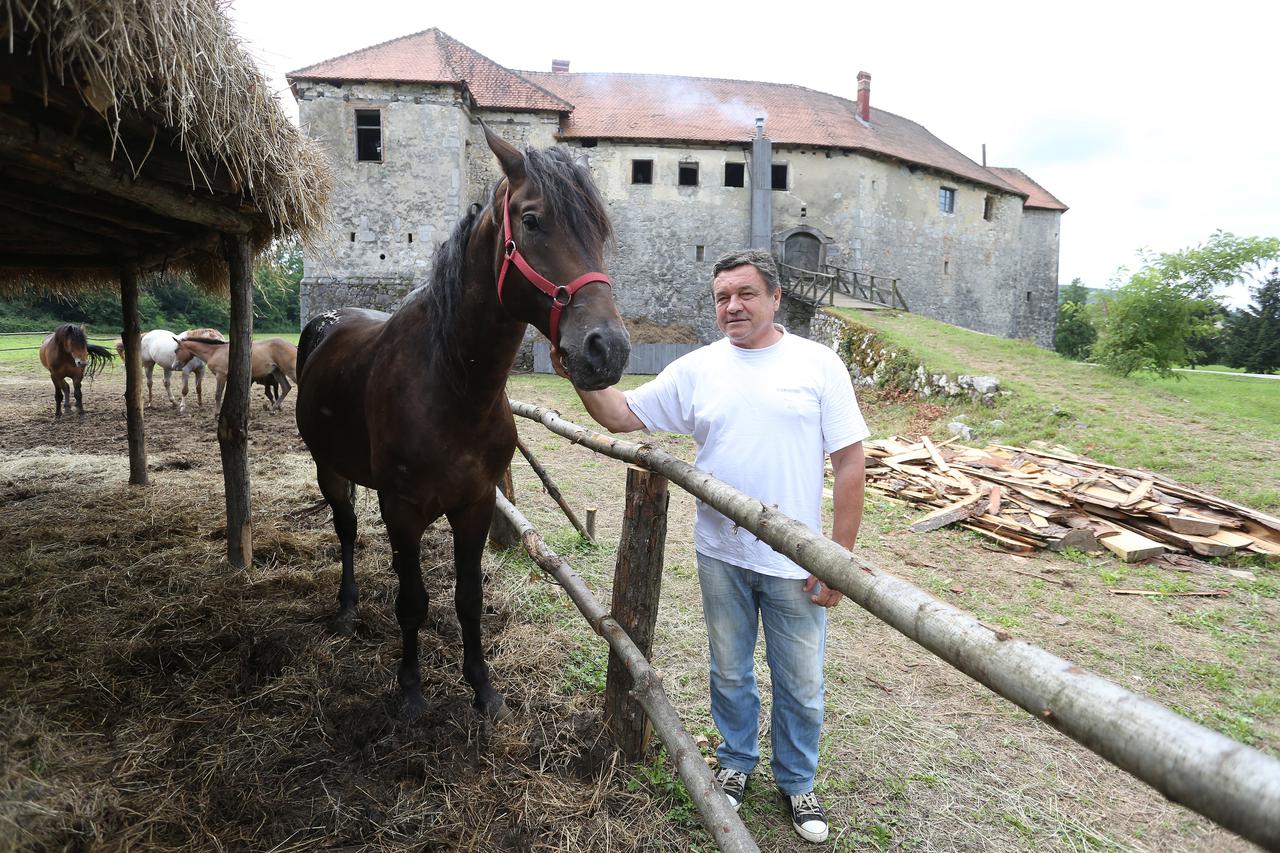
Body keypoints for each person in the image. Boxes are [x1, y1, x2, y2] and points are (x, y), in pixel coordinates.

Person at [551, 248, 868, 844]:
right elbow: (621, 416)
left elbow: (850, 461)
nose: (733, 306)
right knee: (728, 672)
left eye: (746, 294)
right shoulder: (700, 368)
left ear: (776, 298)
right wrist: (579, 372)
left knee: (800, 681)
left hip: (794, 559)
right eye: (723, 296)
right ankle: (736, 763)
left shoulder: (818, 364)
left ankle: (797, 781)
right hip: (720, 554)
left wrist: (839, 558)